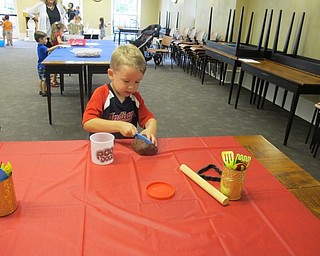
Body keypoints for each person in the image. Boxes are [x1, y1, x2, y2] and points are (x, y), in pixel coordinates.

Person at [82, 44, 158, 145]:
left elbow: (150, 119)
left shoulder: (135, 97)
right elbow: (88, 122)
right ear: (111, 74)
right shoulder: (101, 94)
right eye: (126, 81)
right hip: (102, 146)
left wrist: (150, 130)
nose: (131, 87)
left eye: (137, 82)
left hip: (126, 147)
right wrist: (119, 126)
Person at [34, 31, 60, 96]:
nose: (46, 40)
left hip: (40, 65)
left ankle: (41, 90)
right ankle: (44, 91)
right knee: (44, 79)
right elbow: (49, 50)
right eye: (45, 39)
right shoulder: (42, 47)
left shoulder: (39, 46)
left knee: (41, 79)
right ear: (40, 39)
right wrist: (57, 46)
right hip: (43, 65)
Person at [50, 21, 68, 86]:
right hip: (56, 52)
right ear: (59, 30)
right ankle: (53, 80)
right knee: (56, 67)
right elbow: (60, 42)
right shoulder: (58, 34)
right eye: (63, 30)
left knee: (56, 67)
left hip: (54, 51)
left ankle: (54, 79)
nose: (63, 31)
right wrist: (67, 43)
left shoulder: (54, 33)